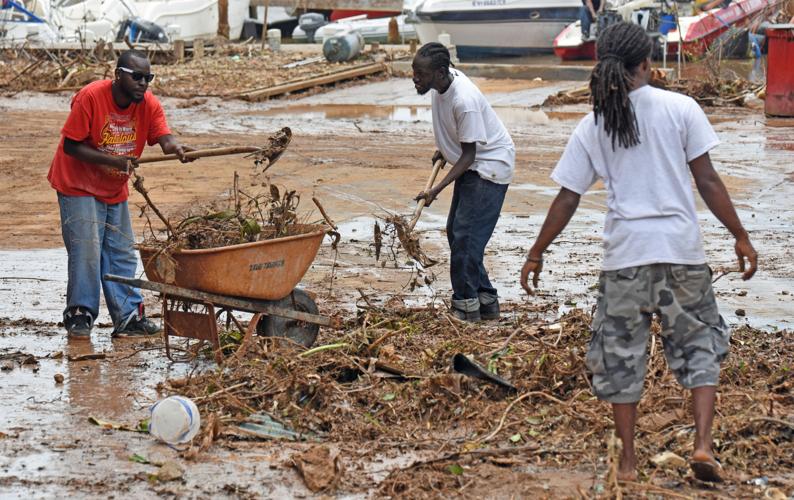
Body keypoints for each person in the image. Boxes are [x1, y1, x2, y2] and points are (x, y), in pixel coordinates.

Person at [520, 22, 757, 482]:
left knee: (621, 358)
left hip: (625, 258)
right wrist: (740, 235)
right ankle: (702, 446)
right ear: (647, 64)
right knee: (699, 346)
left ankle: (627, 463)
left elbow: (567, 197)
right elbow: (707, 180)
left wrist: (536, 252)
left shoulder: (594, 123)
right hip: (681, 252)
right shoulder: (681, 108)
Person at [48, 49, 192, 339]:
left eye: (148, 78)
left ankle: (129, 318)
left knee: (122, 252)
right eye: (137, 77)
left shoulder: (148, 104)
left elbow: (163, 137)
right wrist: (114, 161)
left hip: (113, 186)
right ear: (117, 75)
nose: (143, 83)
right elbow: (71, 146)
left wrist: (176, 147)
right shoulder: (91, 97)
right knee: (86, 250)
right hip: (77, 183)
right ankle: (80, 314)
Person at [412, 42, 515, 322]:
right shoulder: (440, 85)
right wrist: (445, 149)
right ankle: (486, 300)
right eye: (414, 71)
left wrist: (435, 189)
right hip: (473, 161)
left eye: (421, 74)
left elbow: (469, 155)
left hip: (489, 166)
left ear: (440, 72)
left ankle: (466, 306)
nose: (415, 78)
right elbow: (458, 134)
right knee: (457, 234)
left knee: (466, 239)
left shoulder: (464, 100)